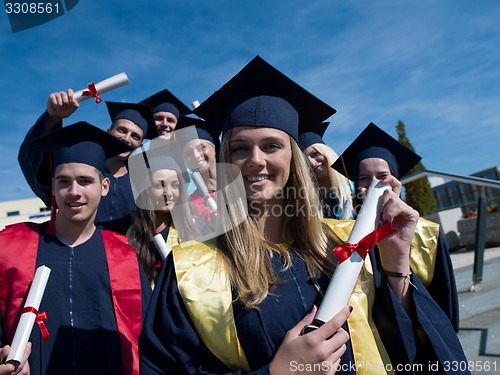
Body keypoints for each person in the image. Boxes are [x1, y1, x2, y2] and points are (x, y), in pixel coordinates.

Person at [139, 56, 469, 374]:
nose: (255, 159)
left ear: (294, 158)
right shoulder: (193, 270)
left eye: (271, 146)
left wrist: (395, 263)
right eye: (240, 147)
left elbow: (404, 346)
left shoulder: (348, 242)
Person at [2, 122, 152, 374]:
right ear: (53, 186)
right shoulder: (11, 248)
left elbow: (148, 341)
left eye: (85, 181)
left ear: (104, 187)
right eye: (64, 181)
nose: (74, 192)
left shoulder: (124, 255)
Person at [331, 122, 460, 332]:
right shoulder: (344, 235)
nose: (373, 184)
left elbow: (443, 303)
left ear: (396, 180)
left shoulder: (428, 233)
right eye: (363, 179)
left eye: (382, 177)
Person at [17, 89, 157, 235]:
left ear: (140, 146)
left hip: (125, 254)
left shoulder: (143, 183)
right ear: (109, 132)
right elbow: (35, 164)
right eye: (122, 130)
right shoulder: (80, 176)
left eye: (135, 136)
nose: (127, 138)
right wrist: (52, 118)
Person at [126, 138, 201, 286]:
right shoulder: (132, 235)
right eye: (159, 185)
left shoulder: (194, 229)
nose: (169, 193)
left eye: (175, 185)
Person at [299, 122, 354, 220]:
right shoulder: (307, 204)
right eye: (305, 161)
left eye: (315, 154)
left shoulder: (356, 190)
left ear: (327, 152)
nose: (311, 163)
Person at [176, 116, 220, 223]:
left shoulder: (239, 186)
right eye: (188, 153)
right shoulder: (190, 203)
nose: (196, 155)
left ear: (214, 149)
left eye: (201, 147)